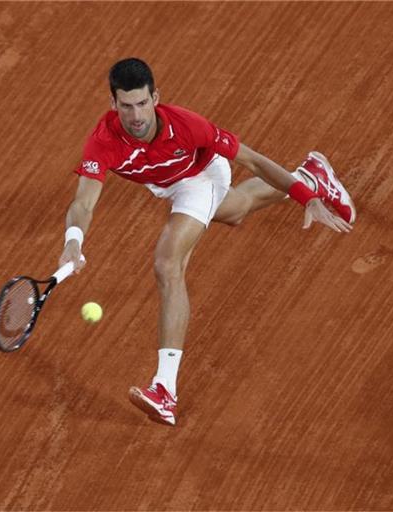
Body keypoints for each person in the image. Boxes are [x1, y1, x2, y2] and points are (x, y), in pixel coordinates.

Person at [59, 58, 355, 426]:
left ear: (156, 97)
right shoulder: (103, 141)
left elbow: (254, 161)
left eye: (142, 103)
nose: (136, 115)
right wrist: (74, 240)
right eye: (126, 106)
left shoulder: (187, 126)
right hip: (167, 182)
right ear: (113, 103)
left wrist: (302, 199)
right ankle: (312, 177)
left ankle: (164, 389)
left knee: (168, 263)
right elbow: (84, 201)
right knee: (235, 209)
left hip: (201, 174)